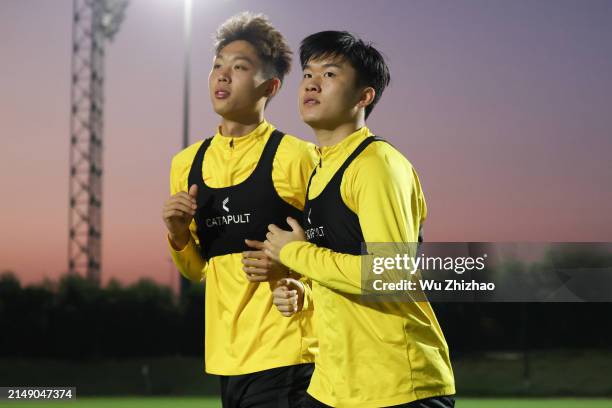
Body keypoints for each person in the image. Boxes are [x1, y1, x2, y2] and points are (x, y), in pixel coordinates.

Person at [264, 31, 455, 407]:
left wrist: (296, 255)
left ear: (364, 96)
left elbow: (390, 275)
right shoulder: (320, 172)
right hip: (334, 386)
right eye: (307, 74)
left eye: (330, 74)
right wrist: (306, 291)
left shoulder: (376, 165)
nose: (312, 83)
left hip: (396, 386)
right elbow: (342, 265)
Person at [162, 12, 317, 408]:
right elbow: (198, 269)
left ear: (270, 85)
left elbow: (338, 249)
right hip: (225, 357)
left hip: (288, 351)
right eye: (217, 66)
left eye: (239, 67)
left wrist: (290, 269)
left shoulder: (298, 157)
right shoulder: (186, 163)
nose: (223, 76)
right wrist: (179, 235)